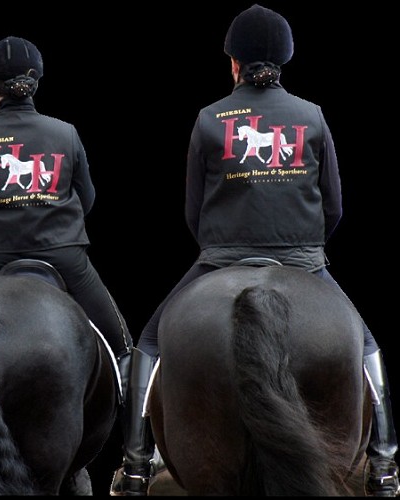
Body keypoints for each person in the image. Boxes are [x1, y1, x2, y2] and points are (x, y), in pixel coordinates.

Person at [110, 4, 399, 497]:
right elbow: (334, 204)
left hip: (220, 258)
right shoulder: (312, 116)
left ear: (233, 63)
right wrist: (303, 245)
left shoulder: (208, 119)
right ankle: (384, 463)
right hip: (304, 260)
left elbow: (192, 209)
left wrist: (222, 243)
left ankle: (135, 463)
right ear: (284, 61)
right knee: (367, 344)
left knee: (151, 343)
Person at [0, 35, 134, 402]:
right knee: (122, 345)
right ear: (35, 84)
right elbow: (89, 198)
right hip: (63, 256)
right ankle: (137, 451)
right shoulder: (65, 132)